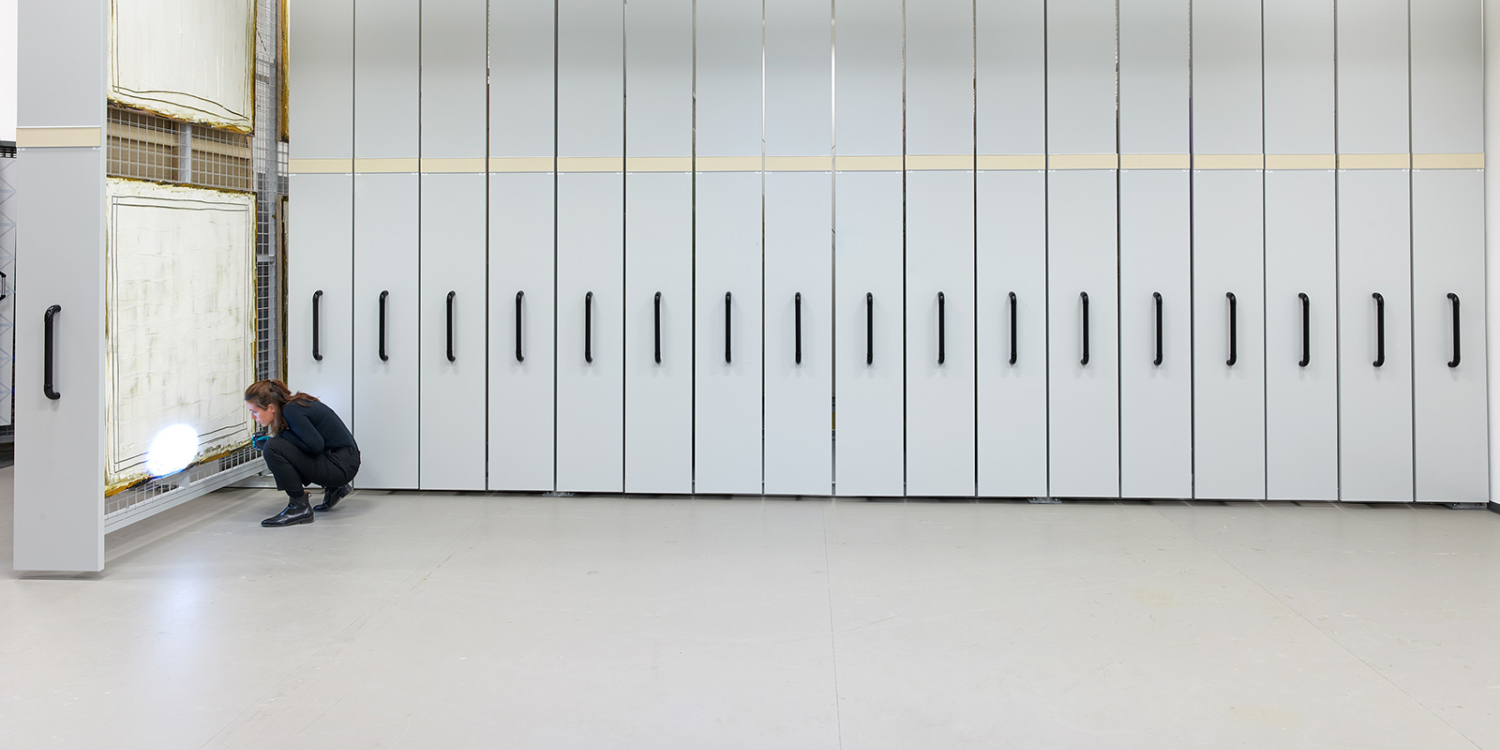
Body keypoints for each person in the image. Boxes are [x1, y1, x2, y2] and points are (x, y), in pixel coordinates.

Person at [244, 380, 361, 527]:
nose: (253, 417)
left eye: (255, 411)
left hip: (341, 466)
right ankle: (335, 488)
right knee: (274, 445)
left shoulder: (291, 411)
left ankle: (298, 507)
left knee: (273, 448)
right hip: (343, 461)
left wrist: (275, 439)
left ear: (270, 407)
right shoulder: (293, 407)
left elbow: (315, 446)